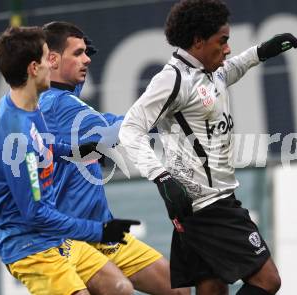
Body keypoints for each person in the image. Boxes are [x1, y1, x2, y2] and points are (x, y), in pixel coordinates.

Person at [118, 0, 297, 294]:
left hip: (198, 206)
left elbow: (232, 70)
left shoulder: (210, 71)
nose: (227, 48)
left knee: (212, 288)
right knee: (268, 280)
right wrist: (161, 177)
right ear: (198, 41)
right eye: (222, 41)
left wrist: (261, 52)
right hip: (207, 205)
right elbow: (130, 128)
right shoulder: (173, 79)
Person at [0, 26, 140, 295]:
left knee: (120, 288)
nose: (51, 64)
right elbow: (36, 214)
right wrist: (99, 231)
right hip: (29, 245)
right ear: (34, 68)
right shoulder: (18, 137)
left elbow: (47, 144)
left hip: (53, 236)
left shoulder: (22, 104)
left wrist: (80, 150)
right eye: (47, 59)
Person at [39, 21, 189, 295]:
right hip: (69, 238)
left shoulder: (67, 100)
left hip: (100, 231)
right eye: (78, 53)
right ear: (52, 59)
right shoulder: (56, 103)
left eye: (87, 53)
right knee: (119, 290)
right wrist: (167, 103)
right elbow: (119, 130)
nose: (86, 60)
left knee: (178, 288)